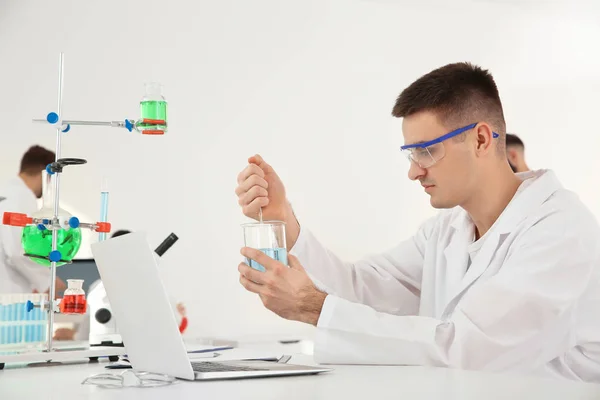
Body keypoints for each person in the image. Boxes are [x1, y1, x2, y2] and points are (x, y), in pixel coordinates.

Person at [234, 62, 600, 382]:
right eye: (410, 154)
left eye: (426, 150)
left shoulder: (561, 232)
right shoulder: (446, 231)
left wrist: (312, 308)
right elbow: (363, 288)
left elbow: (468, 351)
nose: (413, 171)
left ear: (482, 139)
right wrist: (285, 220)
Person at [0, 145, 66, 294]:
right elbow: (18, 250)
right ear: (46, 174)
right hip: (8, 299)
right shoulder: (21, 196)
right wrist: (48, 282)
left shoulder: (5, 192)